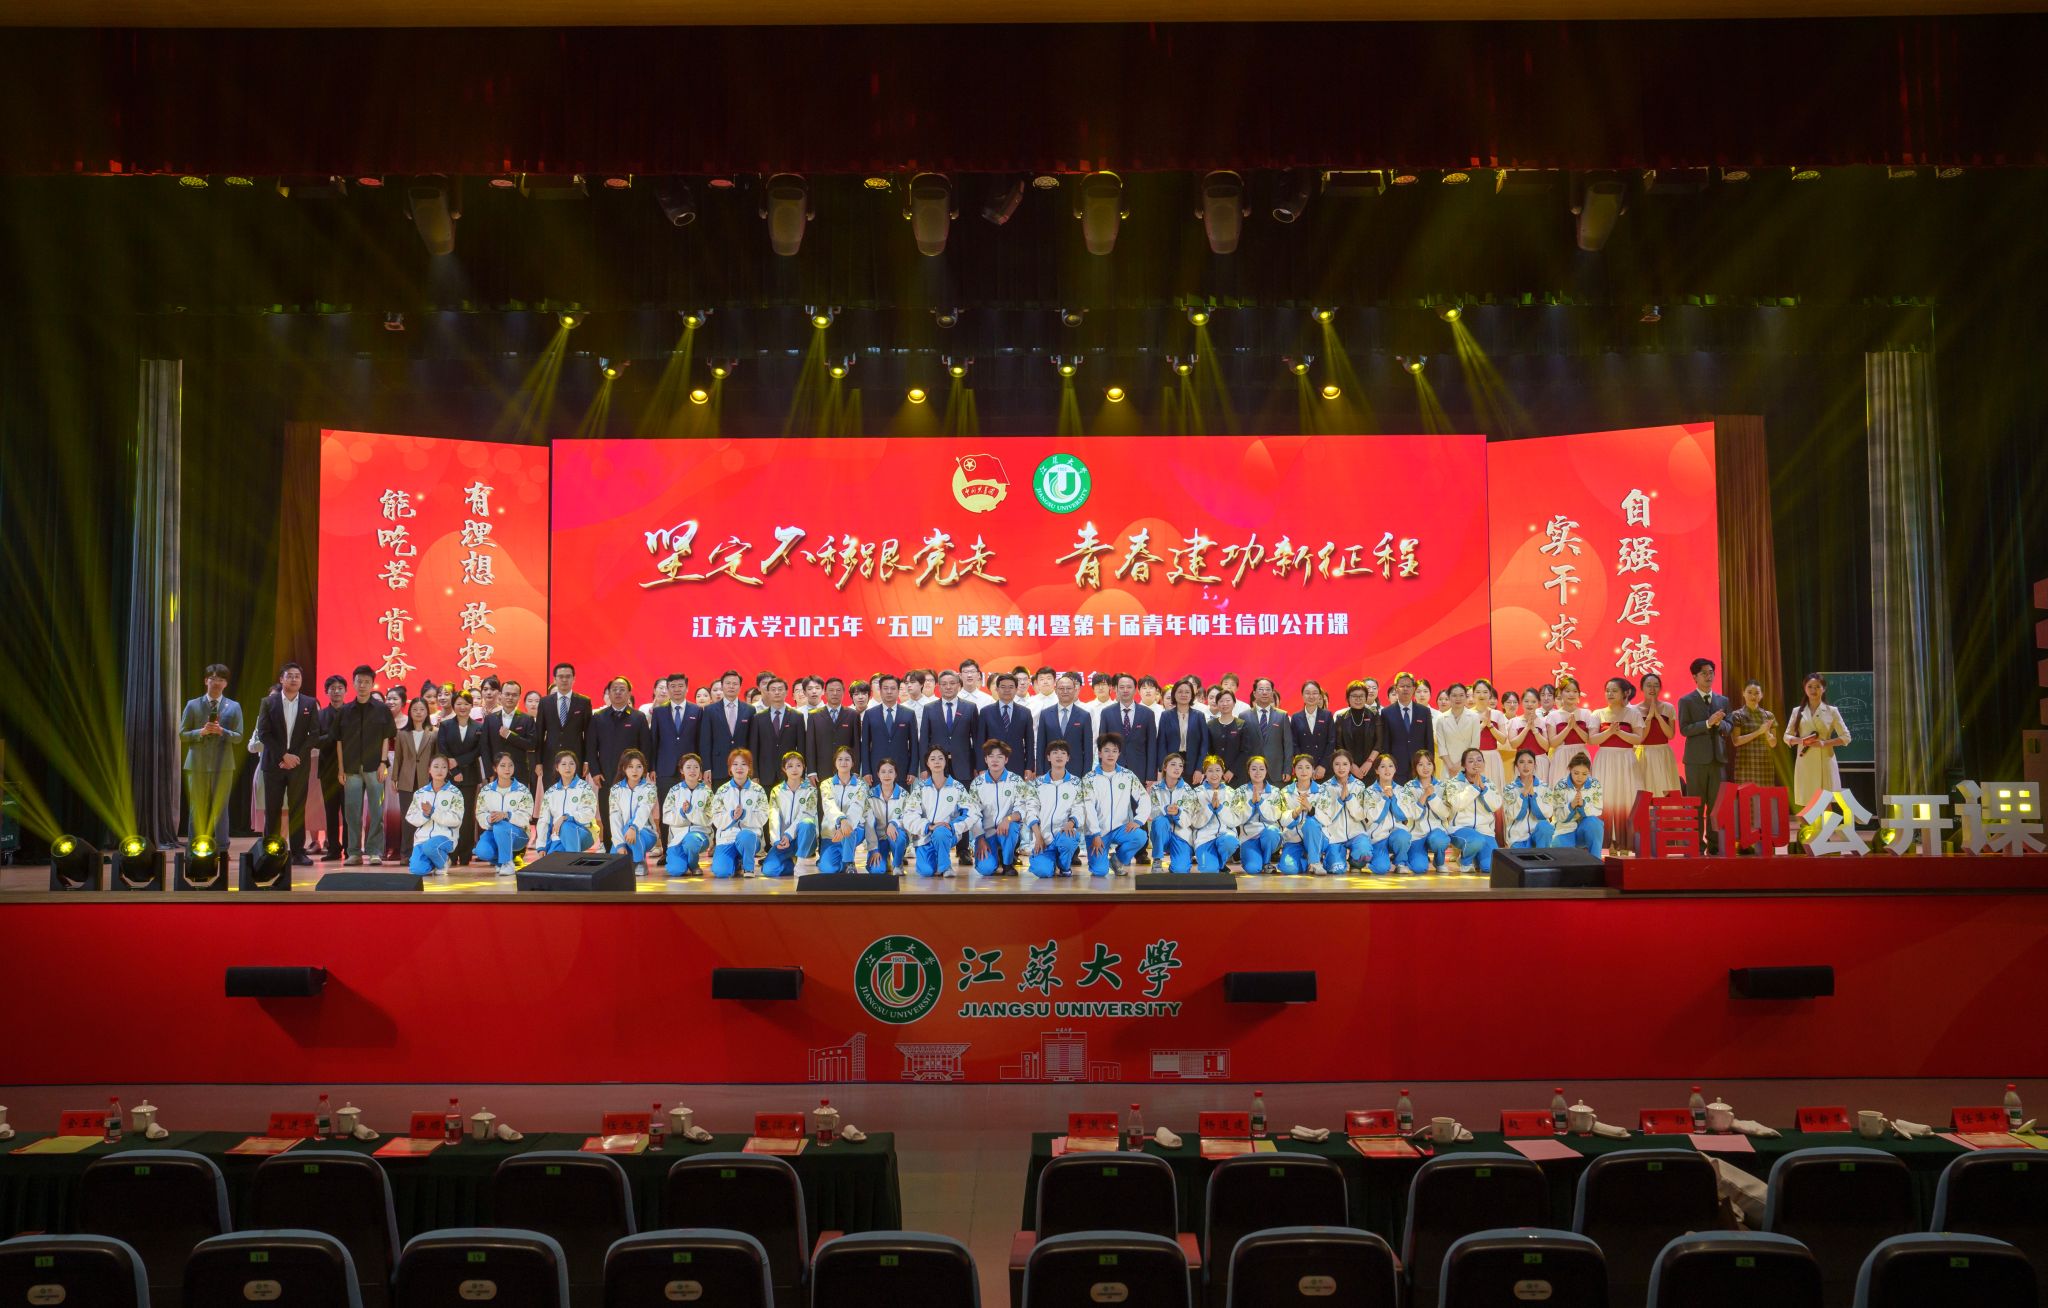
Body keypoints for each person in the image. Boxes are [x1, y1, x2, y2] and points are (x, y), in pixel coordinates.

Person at [326, 664, 397, 867]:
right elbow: (339, 742)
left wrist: (383, 763)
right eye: (359, 681)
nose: (363, 685)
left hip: (375, 768)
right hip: (351, 769)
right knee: (352, 812)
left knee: (376, 811)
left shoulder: (382, 710)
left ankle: (374, 851)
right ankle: (354, 853)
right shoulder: (344, 711)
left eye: (367, 682)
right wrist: (340, 769)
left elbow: (386, 738)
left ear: (372, 684)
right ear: (354, 683)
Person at [258, 661, 325, 865]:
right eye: (289, 675)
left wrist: (295, 757)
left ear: (301, 680)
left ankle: (298, 852)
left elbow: (314, 734)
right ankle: (271, 852)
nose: (294, 679)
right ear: (282, 679)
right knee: (273, 809)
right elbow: (264, 733)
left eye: (297, 676)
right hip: (274, 764)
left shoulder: (309, 703)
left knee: (298, 809)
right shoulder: (268, 702)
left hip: (299, 765)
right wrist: (283, 756)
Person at [179, 662, 243, 850]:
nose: (216, 683)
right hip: (197, 764)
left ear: (226, 683)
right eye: (213, 679)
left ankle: (222, 849)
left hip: (223, 765)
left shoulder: (234, 706)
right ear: (206, 681)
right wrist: (201, 732)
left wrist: (223, 731)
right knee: (196, 808)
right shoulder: (192, 705)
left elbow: (239, 737)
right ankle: (193, 849)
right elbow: (182, 734)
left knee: (221, 809)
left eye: (221, 679)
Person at [588, 677, 654, 846]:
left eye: (622, 689)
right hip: (606, 774)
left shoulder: (638, 717)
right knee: (608, 813)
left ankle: (632, 850)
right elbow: (591, 747)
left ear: (629, 693)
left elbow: (646, 747)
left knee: (632, 812)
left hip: (632, 776)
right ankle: (611, 849)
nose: (618, 692)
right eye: (614, 689)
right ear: (608, 693)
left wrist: (643, 771)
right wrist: (595, 772)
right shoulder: (598, 717)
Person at [1678, 658, 1733, 844]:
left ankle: (1715, 844)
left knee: (1716, 806)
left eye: (1711, 673)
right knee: (1696, 805)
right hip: (1695, 761)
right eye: (1704, 673)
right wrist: (1708, 723)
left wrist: (1720, 724)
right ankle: (1696, 845)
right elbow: (1684, 729)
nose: (1709, 676)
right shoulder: (1686, 701)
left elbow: (1729, 726)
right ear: (1695, 677)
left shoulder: (1722, 700)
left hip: (1718, 760)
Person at [1080, 732, 1150, 876]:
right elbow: (1088, 808)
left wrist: (1138, 820)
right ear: (1099, 753)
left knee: (1140, 836)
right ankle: (1099, 862)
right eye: (1106, 750)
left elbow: (1144, 797)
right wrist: (1095, 834)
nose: (1110, 754)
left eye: (1114, 751)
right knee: (1100, 871)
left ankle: (1117, 860)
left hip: (1121, 828)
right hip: (1098, 832)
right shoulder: (1089, 779)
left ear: (1119, 754)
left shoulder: (1127, 775)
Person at [1591, 677, 1644, 851]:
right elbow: (1592, 739)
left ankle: (1625, 842)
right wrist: (1610, 732)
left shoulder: (1633, 713)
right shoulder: (1598, 713)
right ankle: (1605, 842)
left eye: (1614, 690)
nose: (1610, 694)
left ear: (1625, 693)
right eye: (1607, 690)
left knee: (1626, 797)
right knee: (1605, 798)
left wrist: (1619, 732)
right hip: (1605, 759)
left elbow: (1638, 739)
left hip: (1626, 759)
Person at [906, 745, 975, 878]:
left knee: (941, 832)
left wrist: (953, 826)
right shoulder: (920, 788)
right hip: (924, 836)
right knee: (926, 871)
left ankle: (945, 866)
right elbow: (909, 814)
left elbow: (971, 812)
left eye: (940, 758)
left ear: (945, 761)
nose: (937, 762)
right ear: (927, 763)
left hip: (946, 833)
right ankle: (936, 857)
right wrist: (928, 826)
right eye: (933, 759)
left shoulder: (957, 787)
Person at [1786, 672, 1850, 808]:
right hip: (1805, 760)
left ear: (1824, 689)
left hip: (1825, 759)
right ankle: (1810, 823)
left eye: (1817, 687)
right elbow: (1787, 736)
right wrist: (1801, 741)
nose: (1813, 690)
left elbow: (1846, 737)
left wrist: (1824, 743)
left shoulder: (1832, 711)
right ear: (1804, 688)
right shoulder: (1797, 711)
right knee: (1807, 801)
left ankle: (1827, 822)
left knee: (1825, 801)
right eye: (1810, 686)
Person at [436, 691, 485, 865]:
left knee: (467, 816)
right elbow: (442, 748)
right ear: (453, 705)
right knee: (449, 813)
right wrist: (455, 770)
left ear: (472, 706)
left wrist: (459, 761)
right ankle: (451, 853)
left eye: (466, 704)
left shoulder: (478, 727)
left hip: (470, 776)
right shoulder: (445, 725)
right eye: (459, 703)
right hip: (449, 776)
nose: (462, 707)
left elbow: (478, 751)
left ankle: (465, 854)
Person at [970, 739, 1031, 876]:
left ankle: (1008, 863)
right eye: (991, 756)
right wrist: (980, 839)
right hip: (986, 833)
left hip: (1007, 830)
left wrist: (1007, 819)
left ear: (1006, 760)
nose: (995, 760)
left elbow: (1022, 808)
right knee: (986, 870)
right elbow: (973, 814)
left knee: (1012, 827)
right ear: (986, 759)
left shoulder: (1016, 780)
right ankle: (995, 854)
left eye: (999, 756)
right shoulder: (977, 783)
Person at [1028, 739, 1085, 877]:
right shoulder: (1037, 784)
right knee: (1042, 871)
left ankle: (1064, 866)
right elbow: (1030, 810)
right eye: (1055, 752)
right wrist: (1038, 837)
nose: (1059, 756)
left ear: (1068, 758)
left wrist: (1071, 823)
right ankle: (1050, 862)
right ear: (1048, 757)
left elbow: (1080, 808)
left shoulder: (1076, 783)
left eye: (1063, 753)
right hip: (1043, 839)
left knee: (1067, 841)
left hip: (1064, 835)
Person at [1442, 747, 1504, 873]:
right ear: (1464, 765)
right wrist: (1474, 788)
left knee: (1489, 867)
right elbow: (1457, 804)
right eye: (1471, 761)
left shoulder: (1489, 784)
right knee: (1476, 840)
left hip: (1485, 831)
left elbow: (1495, 806)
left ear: (1484, 764)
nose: (1476, 763)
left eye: (1479, 760)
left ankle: (1475, 856)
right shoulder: (1453, 783)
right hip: (1460, 829)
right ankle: (1465, 861)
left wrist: (1484, 789)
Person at [391, 696, 439, 859]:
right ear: (410, 712)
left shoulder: (434, 733)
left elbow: (437, 758)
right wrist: (394, 778)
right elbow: (398, 758)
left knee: (427, 817)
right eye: (415, 709)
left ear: (427, 712)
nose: (418, 713)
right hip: (406, 780)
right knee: (407, 818)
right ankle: (406, 854)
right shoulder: (402, 734)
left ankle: (425, 853)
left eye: (422, 709)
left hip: (427, 780)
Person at [710, 748, 770, 877]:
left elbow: (763, 816)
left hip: (750, 839)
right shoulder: (722, 790)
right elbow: (715, 818)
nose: (739, 768)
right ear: (730, 768)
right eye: (735, 764)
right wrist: (731, 815)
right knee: (721, 872)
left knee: (746, 835)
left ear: (749, 767)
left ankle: (748, 868)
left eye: (743, 764)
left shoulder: (758, 790)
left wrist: (744, 815)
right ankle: (737, 862)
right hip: (726, 839)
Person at [473, 751, 534, 876]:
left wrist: (507, 815)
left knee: (501, 826)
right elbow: (480, 814)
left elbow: (526, 817)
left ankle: (507, 863)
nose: (507, 769)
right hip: (493, 832)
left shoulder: (522, 790)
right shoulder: (486, 790)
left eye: (510, 765)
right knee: (481, 851)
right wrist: (489, 819)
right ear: (495, 768)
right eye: (502, 765)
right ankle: (500, 863)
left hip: (519, 834)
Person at [761, 750, 819, 877]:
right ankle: (790, 864)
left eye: (798, 765)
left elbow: (805, 814)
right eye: (790, 766)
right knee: (769, 870)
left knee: (807, 823)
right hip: (783, 841)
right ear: (784, 769)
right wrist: (777, 840)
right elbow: (773, 817)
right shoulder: (776, 791)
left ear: (804, 768)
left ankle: (801, 863)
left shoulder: (811, 790)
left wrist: (789, 834)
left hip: (804, 839)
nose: (794, 769)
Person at [405, 754, 465, 876]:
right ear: (429, 769)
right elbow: (410, 816)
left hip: (445, 837)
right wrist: (425, 815)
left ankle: (443, 862)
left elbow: (456, 819)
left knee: (430, 847)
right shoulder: (420, 793)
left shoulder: (455, 793)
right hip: (422, 839)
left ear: (448, 771)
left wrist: (433, 812)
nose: (439, 770)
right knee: (417, 870)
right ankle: (434, 860)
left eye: (444, 767)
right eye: (436, 767)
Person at [918, 669, 980, 786]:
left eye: (952, 683)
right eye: (944, 684)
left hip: (964, 766)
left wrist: (979, 766)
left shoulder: (970, 708)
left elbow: (977, 740)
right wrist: (924, 768)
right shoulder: (929, 708)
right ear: (939, 687)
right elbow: (924, 741)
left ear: (959, 685)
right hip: (936, 767)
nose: (948, 687)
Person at [1314, 748, 1371, 873]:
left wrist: (1349, 798)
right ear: (1332, 766)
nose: (1341, 768)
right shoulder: (1325, 787)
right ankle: (1333, 858)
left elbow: (1361, 815)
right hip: (1335, 836)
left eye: (1345, 764)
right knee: (1337, 870)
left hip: (1356, 833)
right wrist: (1340, 801)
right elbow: (1325, 817)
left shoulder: (1359, 785)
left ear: (1351, 766)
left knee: (1364, 852)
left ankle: (1355, 863)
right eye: (1337, 764)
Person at [651, 672, 702, 808]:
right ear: (668, 689)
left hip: (690, 769)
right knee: (667, 808)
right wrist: (652, 768)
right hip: (664, 769)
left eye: (680, 686)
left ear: (687, 688)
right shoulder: (658, 712)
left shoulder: (697, 711)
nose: (677, 689)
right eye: (673, 686)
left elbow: (700, 741)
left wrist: (701, 767)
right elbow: (654, 741)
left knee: (690, 808)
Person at [1183, 755, 1241, 873]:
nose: (1214, 774)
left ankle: (1220, 862)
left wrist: (1220, 809)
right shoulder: (1196, 793)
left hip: (1225, 835)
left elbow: (1236, 820)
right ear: (1204, 772)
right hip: (1204, 838)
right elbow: (1194, 823)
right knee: (1209, 871)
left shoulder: (1231, 793)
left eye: (1217, 770)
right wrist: (1209, 808)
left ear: (1222, 772)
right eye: (1210, 770)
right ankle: (1215, 864)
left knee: (1230, 842)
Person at [312, 674, 349, 858]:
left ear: (346, 691)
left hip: (349, 770)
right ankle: (334, 848)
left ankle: (350, 849)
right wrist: (333, 736)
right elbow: (314, 741)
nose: (336, 692)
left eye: (340, 688)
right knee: (331, 811)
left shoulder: (352, 712)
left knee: (350, 811)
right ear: (326, 692)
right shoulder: (320, 716)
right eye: (332, 688)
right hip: (327, 770)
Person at [1358, 753, 1415, 874]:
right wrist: (1384, 798)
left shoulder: (1402, 791)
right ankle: (1373, 858)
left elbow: (1404, 815)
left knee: (1403, 836)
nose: (1387, 769)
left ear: (1395, 769)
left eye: (1390, 766)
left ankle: (1400, 862)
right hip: (1378, 838)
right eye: (1382, 766)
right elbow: (1374, 817)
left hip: (1397, 835)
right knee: (1381, 869)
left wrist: (1393, 798)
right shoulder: (1369, 792)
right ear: (1376, 770)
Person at [483, 676, 537, 801]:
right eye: (507, 694)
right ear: (500, 695)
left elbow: (532, 744)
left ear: (519, 697)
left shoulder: (527, 719)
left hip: (519, 772)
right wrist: (489, 772)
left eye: (514, 695)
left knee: (519, 805)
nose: (510, 698)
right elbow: (484, 747)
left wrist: (509, 735)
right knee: (496, 805)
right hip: (495, 773)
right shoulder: (490, 719)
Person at [748, 678, 807, 791]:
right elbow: (754, 748)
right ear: (768, 692)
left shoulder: (797, 716)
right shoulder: (758, 718)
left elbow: (801, 748)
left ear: (786, 692)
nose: (777, 692)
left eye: (780, 689)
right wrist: (754, 774)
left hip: (790, 773)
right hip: (765, 774)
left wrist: (801, 774)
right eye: (773, 689)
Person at [608, 748, 661, 875]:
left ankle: (639, 861)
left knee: (629, 829)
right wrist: (619, 844)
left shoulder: (650, 788)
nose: (634, 770)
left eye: (639, 766)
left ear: (644, 769)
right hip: (624, 834)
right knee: (612, 866)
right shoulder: (615, 790)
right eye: (630, 766)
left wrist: (633, 827)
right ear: (624, 768)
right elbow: (614, 817)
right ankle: (628, 856)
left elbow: (644, 810)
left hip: (647, 833)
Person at [818, 746, 869, 873]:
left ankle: (848, 863)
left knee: (849, 829)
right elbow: (829, 805)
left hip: (853, 830)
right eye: (840, 759)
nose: (843, 762)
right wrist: (840, 820)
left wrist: (844, 824)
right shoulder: (826, 784)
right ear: (835, 762)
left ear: (853, 763)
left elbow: (857, 807)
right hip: (831, 833)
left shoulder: (861, 785)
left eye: (847, 759)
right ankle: (839, 855)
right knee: (829, 869)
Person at [661, 754, 714, 877]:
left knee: (691, 841)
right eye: (688, 767)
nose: (692, 770)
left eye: (696, 767)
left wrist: (691, 811)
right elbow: (666, 816)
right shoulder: (674, 791)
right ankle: (683, 860)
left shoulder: (707, 792)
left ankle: (693, 864)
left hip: (699, 835)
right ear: (681, 770)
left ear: (700, 770)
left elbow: (710, 818)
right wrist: (681, 813)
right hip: (677, 837)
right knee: (676, 870)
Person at [703, 669, 756, 790]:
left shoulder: (749, 710)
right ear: (722, 685)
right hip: (718, 767)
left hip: (742, 767)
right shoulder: (710, 710)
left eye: (735, 683)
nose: (731, 686)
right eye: (728, 683)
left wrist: (752, 766)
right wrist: (707, 767)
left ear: (740, 687)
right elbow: (705, 741)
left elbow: (752, 741)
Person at [539, 750, 600, 853]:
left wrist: (566, 817)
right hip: (557, 837)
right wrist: (542, 846)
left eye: (571, 764)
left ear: (576, 766)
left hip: (585, 832)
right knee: (552, 859)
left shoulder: (585, 788)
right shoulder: (550, 792)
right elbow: (544, 820)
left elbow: (589, 813)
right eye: (563, 764)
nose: (568, 767)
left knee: (566, 826)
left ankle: (573, 860)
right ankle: (572, 859)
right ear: (557, 767)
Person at [1103, 674, 1157, 791]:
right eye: (1121, 687)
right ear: (1116, 689)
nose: (1125, 690)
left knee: (1137, 802)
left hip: (1140, 769)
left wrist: (1151, 774)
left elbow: (1152, 746)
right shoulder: (1106, 713)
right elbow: (1102, 745)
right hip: (1113, 768)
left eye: (1129, 687)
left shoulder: (1147, 713)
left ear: (1135, 689)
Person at [861, 674, 918, 785]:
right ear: (880, 690)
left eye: (893, 688)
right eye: (885, 688)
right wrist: (866, 771)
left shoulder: (909, 714)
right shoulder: (869, 714)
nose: (889, 692)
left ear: (898, 690)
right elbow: (865, 745)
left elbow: (914, 745)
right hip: (876, 770)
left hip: (902, 769)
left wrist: (912, 770)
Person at [976, 673, 1036, 778]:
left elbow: (1029, 743)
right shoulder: (986, 712)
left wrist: (1029, 767)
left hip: (1017, 765)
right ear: (997, 689)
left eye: (1011, 687)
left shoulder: (1025, 713)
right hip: (992, 765)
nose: (1007, 690)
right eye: (1003, 687)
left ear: (1016, 689)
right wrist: (981, 768)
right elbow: (980, 742)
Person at [539, 662, 594, 777]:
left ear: (574, 679)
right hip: (550, 759)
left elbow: (589, 734)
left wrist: (587, 760)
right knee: (551, 788)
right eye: (561, 676)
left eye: (568, 676)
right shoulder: (545, 702)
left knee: (575, 788)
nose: (564, 680)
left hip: (576, 758)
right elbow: (540, 733)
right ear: (554, 679)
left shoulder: (584, 702)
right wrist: (538, 762)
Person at [1036, 673, 1094, 780]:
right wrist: (1039, 772)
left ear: (1075, 690)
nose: (1065, 691)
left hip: (1076, 771)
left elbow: (1088, 750)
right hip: (1050, 771)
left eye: (1069, 688)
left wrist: (1086, 775)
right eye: (1061, 688)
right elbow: (1040, 746)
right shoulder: (1045, 714)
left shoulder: (1084, 716)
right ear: (1056, 690)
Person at [1275, 754, 1326, 875]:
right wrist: (1298, 810)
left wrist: (1310, 807)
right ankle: (1305, 860)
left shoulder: (1322, 791)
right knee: (1288, 869)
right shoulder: (1285, 792)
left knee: (1311, 823)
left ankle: (1315, 862)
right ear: (1294, 770)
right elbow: (1282, 821)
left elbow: (1327, 819)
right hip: (1293, 840)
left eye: (1307, 767)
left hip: (1317, 839)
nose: (1304, 771)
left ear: (1313, 770)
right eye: (1300, 767)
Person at [1380, 673, 1434, 783]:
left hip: (1420, 766)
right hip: (1396, 767)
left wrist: (1429, 764)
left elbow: (1429, 740)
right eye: (1402, 686)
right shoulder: (1386, 712)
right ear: (1396, 688)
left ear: (1413, 689)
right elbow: (1385, 743)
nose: (1405, 689)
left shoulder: (1424, 711)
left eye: (1408, 686)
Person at [1233, 756, 1283, 873]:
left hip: (1270, 836)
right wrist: (1251, 803)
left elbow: (1275, 815)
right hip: (1249, 837)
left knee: (1271, 831)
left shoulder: (1275, 791)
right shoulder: (1240, 791)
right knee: (1252, 869)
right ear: (1248, 771)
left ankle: (1267, 863)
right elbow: (1237, 818)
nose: (1258, 772)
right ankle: (1255, 858)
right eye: (1254, 769)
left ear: (1266, 771)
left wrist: (1261, 802)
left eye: (1261, 769)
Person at [1543, 679, 1597, 787]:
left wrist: (1575, 727)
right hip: (1561, 757)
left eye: (1575, 691)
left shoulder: (1586, 713)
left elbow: (1589, 740)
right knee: (1562, 789)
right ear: (1560, 693)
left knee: (1582, 790)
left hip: (1581, 755)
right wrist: (1568, 727)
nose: (1571, 694)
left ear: (1579, 694)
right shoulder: (1553, 716)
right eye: (1567, 691)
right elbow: (1553, 743)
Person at [1635, 671, 1682, 796]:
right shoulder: (1634, 710)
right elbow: (1640, 738)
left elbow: (1670, 735)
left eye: (1656, 685)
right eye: (1648, 685)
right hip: (1643, 753)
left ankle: (1665, 809)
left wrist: (1658, 716)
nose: (1652, 689)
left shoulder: (1668, 707)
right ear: (1642, 688)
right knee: (1644, 789)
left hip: (1663, 753)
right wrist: (1649, 717)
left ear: (1660, 688)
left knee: (1665, 788)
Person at [805, 677, 861, 782]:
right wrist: (811, 771)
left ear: (843, 693)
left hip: (847, 770)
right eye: (831, 690)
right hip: (821, 770)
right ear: (825, 693)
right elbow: (810, 745)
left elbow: (856, 745)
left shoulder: (853, 715)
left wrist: (856, 770)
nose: (835, 693)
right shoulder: (814, 715)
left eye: (838, 690)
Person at [1404, 750, 1451, 872]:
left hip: (1437, 831)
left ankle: (1439, 862)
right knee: (1419, 868)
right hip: (1416, 833)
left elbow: (1445, 813)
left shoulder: (1442, 785)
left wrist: (1433, 796)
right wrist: (1424, 795)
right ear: (1415, 767)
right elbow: (1412, 814)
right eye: (1420, 764)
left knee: (1439, 842)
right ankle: (1415, 856)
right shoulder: (1409, 787)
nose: (1425, 768)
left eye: (1429, 764)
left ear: (1434, 766)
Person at [1149, 751, 1196, 872]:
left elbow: (1189, 819)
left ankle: (1181, 859)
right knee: (1160, 821)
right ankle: (1157, 860)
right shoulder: (1155, 788)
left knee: (1180, 870)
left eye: (1180, 766)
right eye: (1173, 764)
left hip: (1181, 835)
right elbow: (1151, 812)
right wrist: (1165, 810)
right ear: (1165, 767)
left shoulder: (1188, 790)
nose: (1177, 768)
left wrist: (1178, 813)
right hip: (1162, 835)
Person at [866, 757, 914, 874]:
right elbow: (868, 824)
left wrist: (894, 823)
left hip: (897, 835)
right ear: (878, 774)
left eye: (890, 771)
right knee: (876, 871)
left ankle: (898, 864)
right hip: (879, 839)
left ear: (896, 774)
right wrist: (874, 848)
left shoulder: (904, 795)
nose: (887, 775)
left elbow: (909, 816)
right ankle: (885, 857)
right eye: (883, 772)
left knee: (899, 837)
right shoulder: (870, 796)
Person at [1551, 752, 1605, 854]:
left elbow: (1598, 810)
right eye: (1576, 773)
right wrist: (1571, 806)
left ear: (1589, 772)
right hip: (1565, 829)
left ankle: (1595, 860)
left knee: (1595, 824)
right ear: (1570, 769)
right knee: (1561, 852)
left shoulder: (1595, 785)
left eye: (1584, 774)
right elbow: (1558, 815)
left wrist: (1583, 805)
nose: (1580, 777)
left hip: (1586, 829)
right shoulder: (1560, 786)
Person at [1503, 749, 1557, 849]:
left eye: (1530, 762)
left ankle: (1543, 857)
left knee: (1545, 826)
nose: (1526, 766)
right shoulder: (1509, 789)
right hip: (1518, 839)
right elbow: (1514, 815)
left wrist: (1532, 793)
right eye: (1521, 762)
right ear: (1516, 765)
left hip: (1539, 837)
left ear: (1534, 765)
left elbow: (1547, 814)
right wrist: (1524, 793)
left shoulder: (1544, 787)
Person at [1730, 679, 1780, 786]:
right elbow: (1736, 741)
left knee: (1765, 796)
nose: (1753, 696)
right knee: (1746, 796)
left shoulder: (1768, 715)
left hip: (1765, 765)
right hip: (1745, 765)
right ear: (1743, 693)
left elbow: (1773, 743)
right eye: (1749, 692)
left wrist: (1766, 732)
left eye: (1757, 693)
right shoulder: (1737, 715)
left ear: (1761, 695)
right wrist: (1758, 732)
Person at [1156, 681, 1207, 784]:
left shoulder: (1199, 716)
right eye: (1180, 692)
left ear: (1192, 695)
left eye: (1187, 692)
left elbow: (1204, 744)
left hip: (1193, 764)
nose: (1183, 695)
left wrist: (1199, 768)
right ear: (1174, 694)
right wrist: (1162, 768)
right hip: (1171, 763)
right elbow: (1161, 744)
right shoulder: (1166, 715)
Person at [1333, 680, 1382, 783]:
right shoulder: (1341, 717)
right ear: (1348, 698)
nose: (1358, 699)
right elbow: (1338, 745)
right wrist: (1351, 765)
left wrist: (1369, 762)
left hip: (1370, 767)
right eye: (1354, 696)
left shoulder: (1374, 715)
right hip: (1346, 769)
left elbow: (1379, 742)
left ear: (1366, 697)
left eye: (1361, 696)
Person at [1244, 678, 1293, 777]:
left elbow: (1288, 745)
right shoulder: (1244, 716)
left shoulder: (1282, 716)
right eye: (1261, 689)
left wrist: (1287, 770)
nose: (1264, 692)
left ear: (1272, 693)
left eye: (1268, 689)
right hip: (1252, 772)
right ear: (1254, 693)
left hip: (1276, 771)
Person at [1432, 682, 1481, 781]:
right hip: (1448, 766)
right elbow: (1441, 746)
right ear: (1449, 697)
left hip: (1469, 764)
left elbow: (1475, 745)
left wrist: (1460, 765)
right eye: (1454, 695)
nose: (1458, 698)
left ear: (1466, 697)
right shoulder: (1441, 719)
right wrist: (1451, 767)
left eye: (1461, 695)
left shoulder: (1474, 717)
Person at [1290, 681, 1335, 779]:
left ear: (1319, 696)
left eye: (1315, 693)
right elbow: (1294, 744)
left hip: (1324, 770)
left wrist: (1323, 766)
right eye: (1307, 693)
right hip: (1303, 771)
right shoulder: (1296, 717)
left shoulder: (1327, 715)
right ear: (1302, 696)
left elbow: (1331, 742)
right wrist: (1304, 766)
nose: (1311, 696)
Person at [1472, 679, 1509, 792]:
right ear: (1473, 694)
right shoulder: (1467, 714)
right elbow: (1466, 738)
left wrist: (1490, 726)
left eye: (1485, 692)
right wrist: (1482, 725)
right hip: (1474, 757)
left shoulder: (1497, 714)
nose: (1481, 695)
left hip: (1493, 757)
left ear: (1490, 694)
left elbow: (1503, 739)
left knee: (1494, 791)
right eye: (1478, 692)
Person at [1207, 688, 1250, 783]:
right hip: (1215, 775)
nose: (1225, 704)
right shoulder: (1210, 725)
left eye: (1228, 700)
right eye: (1221, 701)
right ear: (1217, 704)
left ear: (1234, 703)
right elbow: (1209, 750)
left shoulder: (1242, 724)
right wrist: (1216, 770)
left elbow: (1245, 751)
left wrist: (1232, 771)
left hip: (1237, 775)